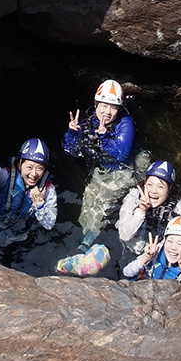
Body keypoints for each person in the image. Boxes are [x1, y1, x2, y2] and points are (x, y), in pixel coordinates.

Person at [62, 79, 137, 251]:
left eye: (114, 107)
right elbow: (70, 149)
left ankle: (86, 244)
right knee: (89, 197)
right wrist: (72, 133)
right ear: (96, 103)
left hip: (121, 169)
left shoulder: (126, 124)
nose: (108, 112)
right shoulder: (88, 118)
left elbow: (121, 154)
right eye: (104, 105)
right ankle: (86, 236)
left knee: (101, 200)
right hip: (100, 166)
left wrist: (104, 137)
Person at [0, 128, 57, 245]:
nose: (34, 174)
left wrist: (40, 204)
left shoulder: (48, 189)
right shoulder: (6, 177)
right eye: (29, 167)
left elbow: (49, 224)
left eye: (40, 168)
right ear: (19, 165)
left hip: (21, 237)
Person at [116, 160, 181, 260]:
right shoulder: (133, 197)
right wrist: (141, 211)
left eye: (160, 186)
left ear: (169, 189)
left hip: (155, 255)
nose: (153, 191)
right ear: (145, 183)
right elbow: (124, 235)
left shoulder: (175, 205)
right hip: (129, 249)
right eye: (150, 184)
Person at [122, 216, 181, 282]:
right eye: (170, 241)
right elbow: (126, 273)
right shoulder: (157, 251)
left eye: (180, 244)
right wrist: (145, 258)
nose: (173, 247)